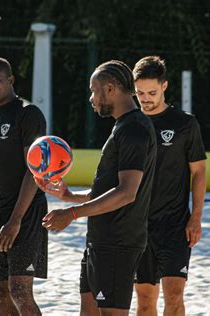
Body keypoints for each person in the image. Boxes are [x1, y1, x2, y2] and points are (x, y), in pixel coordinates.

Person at [36, 60, 157, 316]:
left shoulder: (134, 129)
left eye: (94, 90)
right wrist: (69, 196)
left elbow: (127, 193)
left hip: (118, 242)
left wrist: (72, 213)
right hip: (100, 240)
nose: (91, 98)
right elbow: (109, 191)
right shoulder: (123, 126)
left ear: (111, 89)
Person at [132, 56, 207, 316]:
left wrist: (196, 217)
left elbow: (198, 172)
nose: (145, 98)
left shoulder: (185, 124)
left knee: (174, 296)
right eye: (140, 93)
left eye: (151, 92)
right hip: (139, 225)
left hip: (175, 225)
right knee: (144, 299)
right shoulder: (130, 124)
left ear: (164, 86)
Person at [0, 57, 48, 315]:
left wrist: (15, 221)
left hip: (26, 213)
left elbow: (34, 170)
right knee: (0, 291)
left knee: (19, 290)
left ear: (11, 81)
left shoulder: (28, 114)